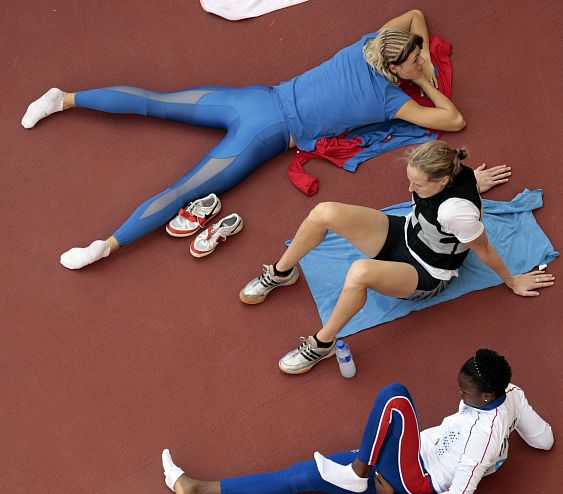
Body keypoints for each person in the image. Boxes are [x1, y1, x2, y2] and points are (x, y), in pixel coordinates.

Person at [21, 10, 468, 269]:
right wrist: (426, 79)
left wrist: (418, 54)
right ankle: (108, 245)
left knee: (156, 102)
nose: (419, 62)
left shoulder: (368, 44)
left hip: (256, 98)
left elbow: (414, 15)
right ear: (397, 68)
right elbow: (452, 120)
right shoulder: (390, 99)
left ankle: (64, 99)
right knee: (187, 189)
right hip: (268, 134)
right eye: (412, 60)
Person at [161, 350, 553, 494]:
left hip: (415, 479)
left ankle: (359, 470)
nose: (460, 396)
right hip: (407, 452)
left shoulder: (483, 439)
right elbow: (545, 440)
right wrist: (516, 425)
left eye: (465, 393)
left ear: (487, 396)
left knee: (395, 397)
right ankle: (194, 489)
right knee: (301, 476)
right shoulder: (512, 395)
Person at [239, 141, 554, 374]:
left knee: (359, 272)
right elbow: (462, 180)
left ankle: (322, 344)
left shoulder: (456, 212)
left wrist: (512, 280)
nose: (410, 187)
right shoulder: (452, 168)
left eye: (417, 185)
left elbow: (483, 248)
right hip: (404, 233)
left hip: (424, 271)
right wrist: (475, 183)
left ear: (443, 181)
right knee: (325, 212)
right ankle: (282, 273)